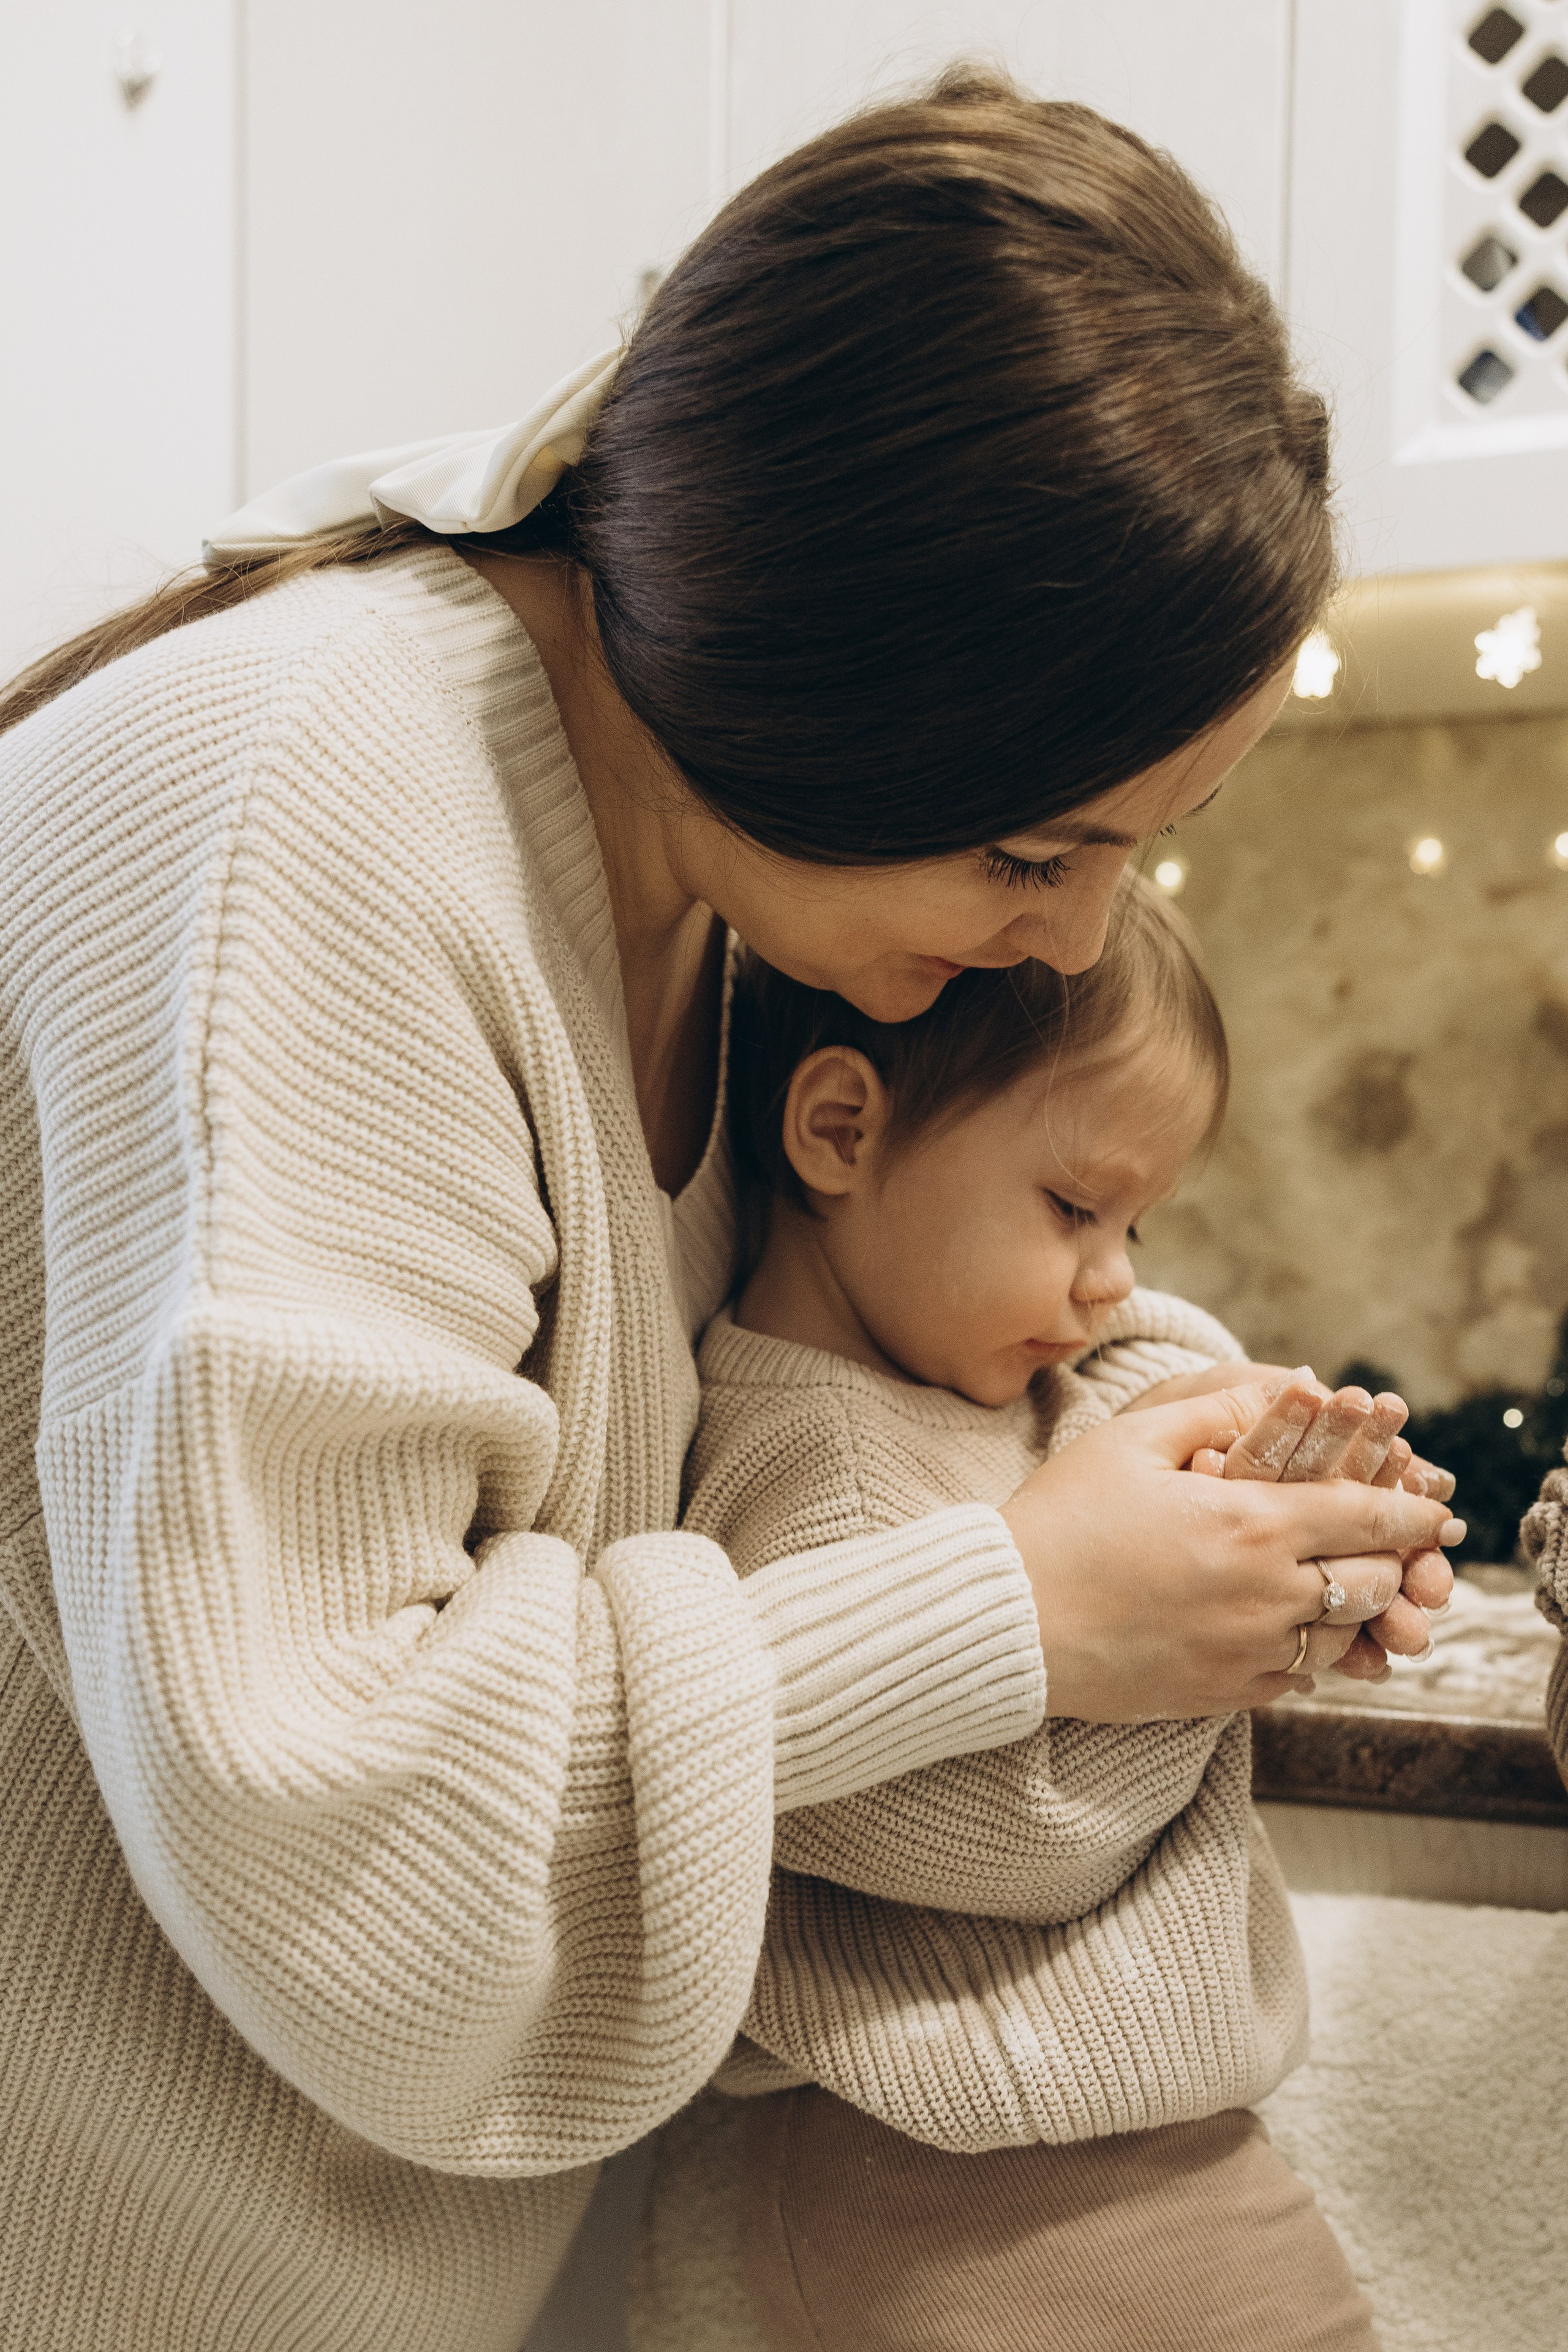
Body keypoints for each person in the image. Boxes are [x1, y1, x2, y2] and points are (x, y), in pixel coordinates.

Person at [0, 67, 1458, 2352]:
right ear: (829, 668)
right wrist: (1014, 1610)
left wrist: (1233, 1500)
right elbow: (350, 1837)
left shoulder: (732, 892)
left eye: (1128, 857)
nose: (1079, 943)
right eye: (1034, 851)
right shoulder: (310, 814)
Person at [632, 877, 1437, 2350]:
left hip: (1120, 2151)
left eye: (1136, 1219)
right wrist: (1223, 1651)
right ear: (838, 1130)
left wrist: (1270, 1466)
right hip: (966, 2180)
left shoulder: (1010, 1377)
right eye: (1073, 1207)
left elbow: (1141, 1368)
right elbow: (1012, 1839)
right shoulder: (803, 1458)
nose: (1111, 1277)